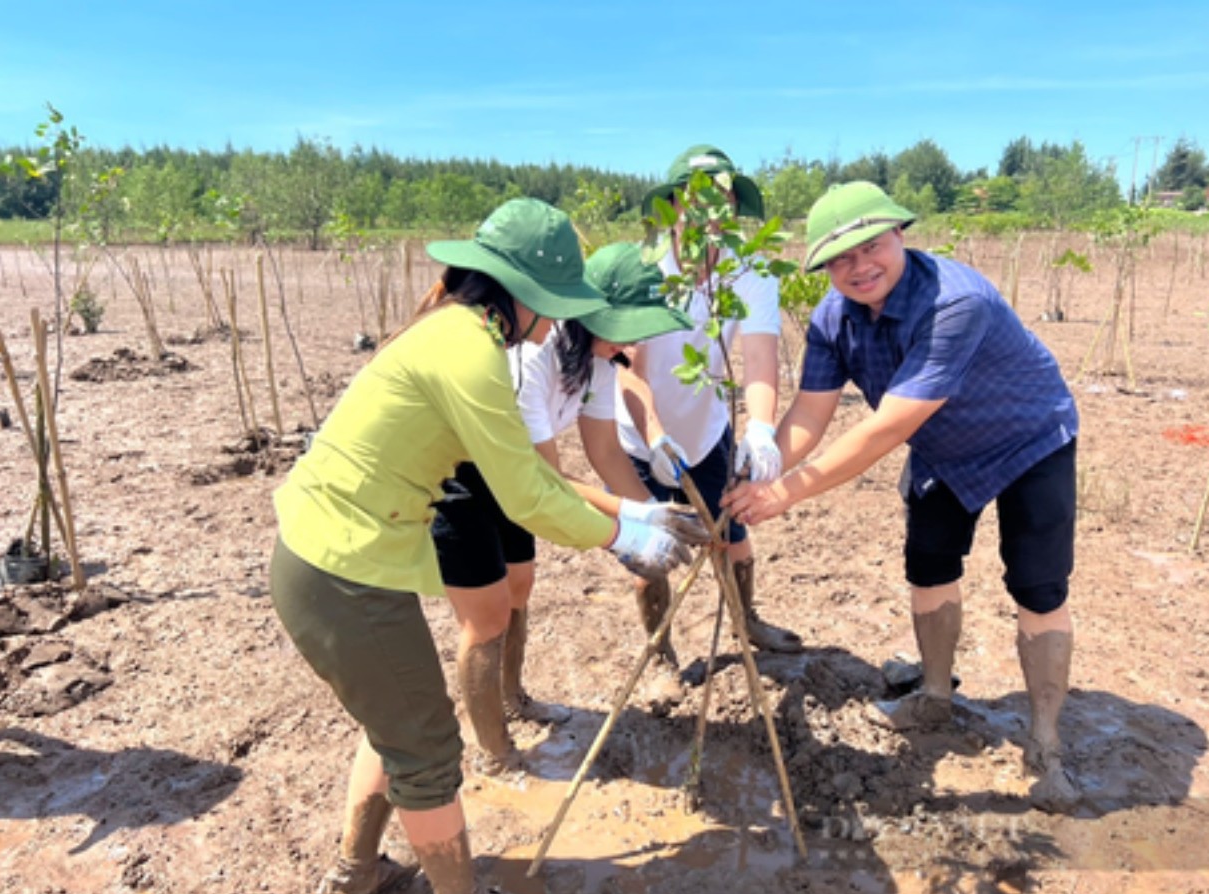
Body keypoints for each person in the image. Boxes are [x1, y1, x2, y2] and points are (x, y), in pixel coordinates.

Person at [269, 198, 694, 894]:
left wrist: (635, 513)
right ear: (524, 296)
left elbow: (551, 474)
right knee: (427, 744)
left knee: (394, 720)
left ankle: (355, 871)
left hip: (333, 555)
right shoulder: (470, 351)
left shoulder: (457, 332)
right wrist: (622, 537)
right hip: (342, 571)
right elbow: (525, 491)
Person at [723, 182, 1081, 812]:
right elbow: (811, 408)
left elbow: (885, 427)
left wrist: (783, 495)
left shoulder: (954, 301)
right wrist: (763, 464)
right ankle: (935, 695)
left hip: (1028, 439)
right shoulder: (833, 319)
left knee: (1038, 586)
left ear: (901, 236)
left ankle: (1045, 739)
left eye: (871, 247)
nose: (859, 268)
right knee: (929, 565)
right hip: (943, 450)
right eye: (839, 260)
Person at [432, 240, 708, 769]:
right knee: (485, 617)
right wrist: (633, 523)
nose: (638, 340)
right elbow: (544, 480)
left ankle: (514, 697)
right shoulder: (534, 356)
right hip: (463, 478)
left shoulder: (599, 363)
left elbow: (605, 453)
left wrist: (655, 509)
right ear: (595, 313)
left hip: (516, 478)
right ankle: (495, 753)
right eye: (630, 326)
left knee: (520, 587)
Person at [616, 144, 802, 672]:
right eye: (696, 202)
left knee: (732, 533)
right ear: (673, 208)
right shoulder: (648, 270)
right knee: (651, 550)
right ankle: (659, 656)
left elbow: (761, 358)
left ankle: (747, 622)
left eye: (721, 202)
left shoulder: (751, 271)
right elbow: (633, 371)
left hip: (708, 428)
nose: (710, 216)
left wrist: (762, 427)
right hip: (639, 435)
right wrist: (653, 438)